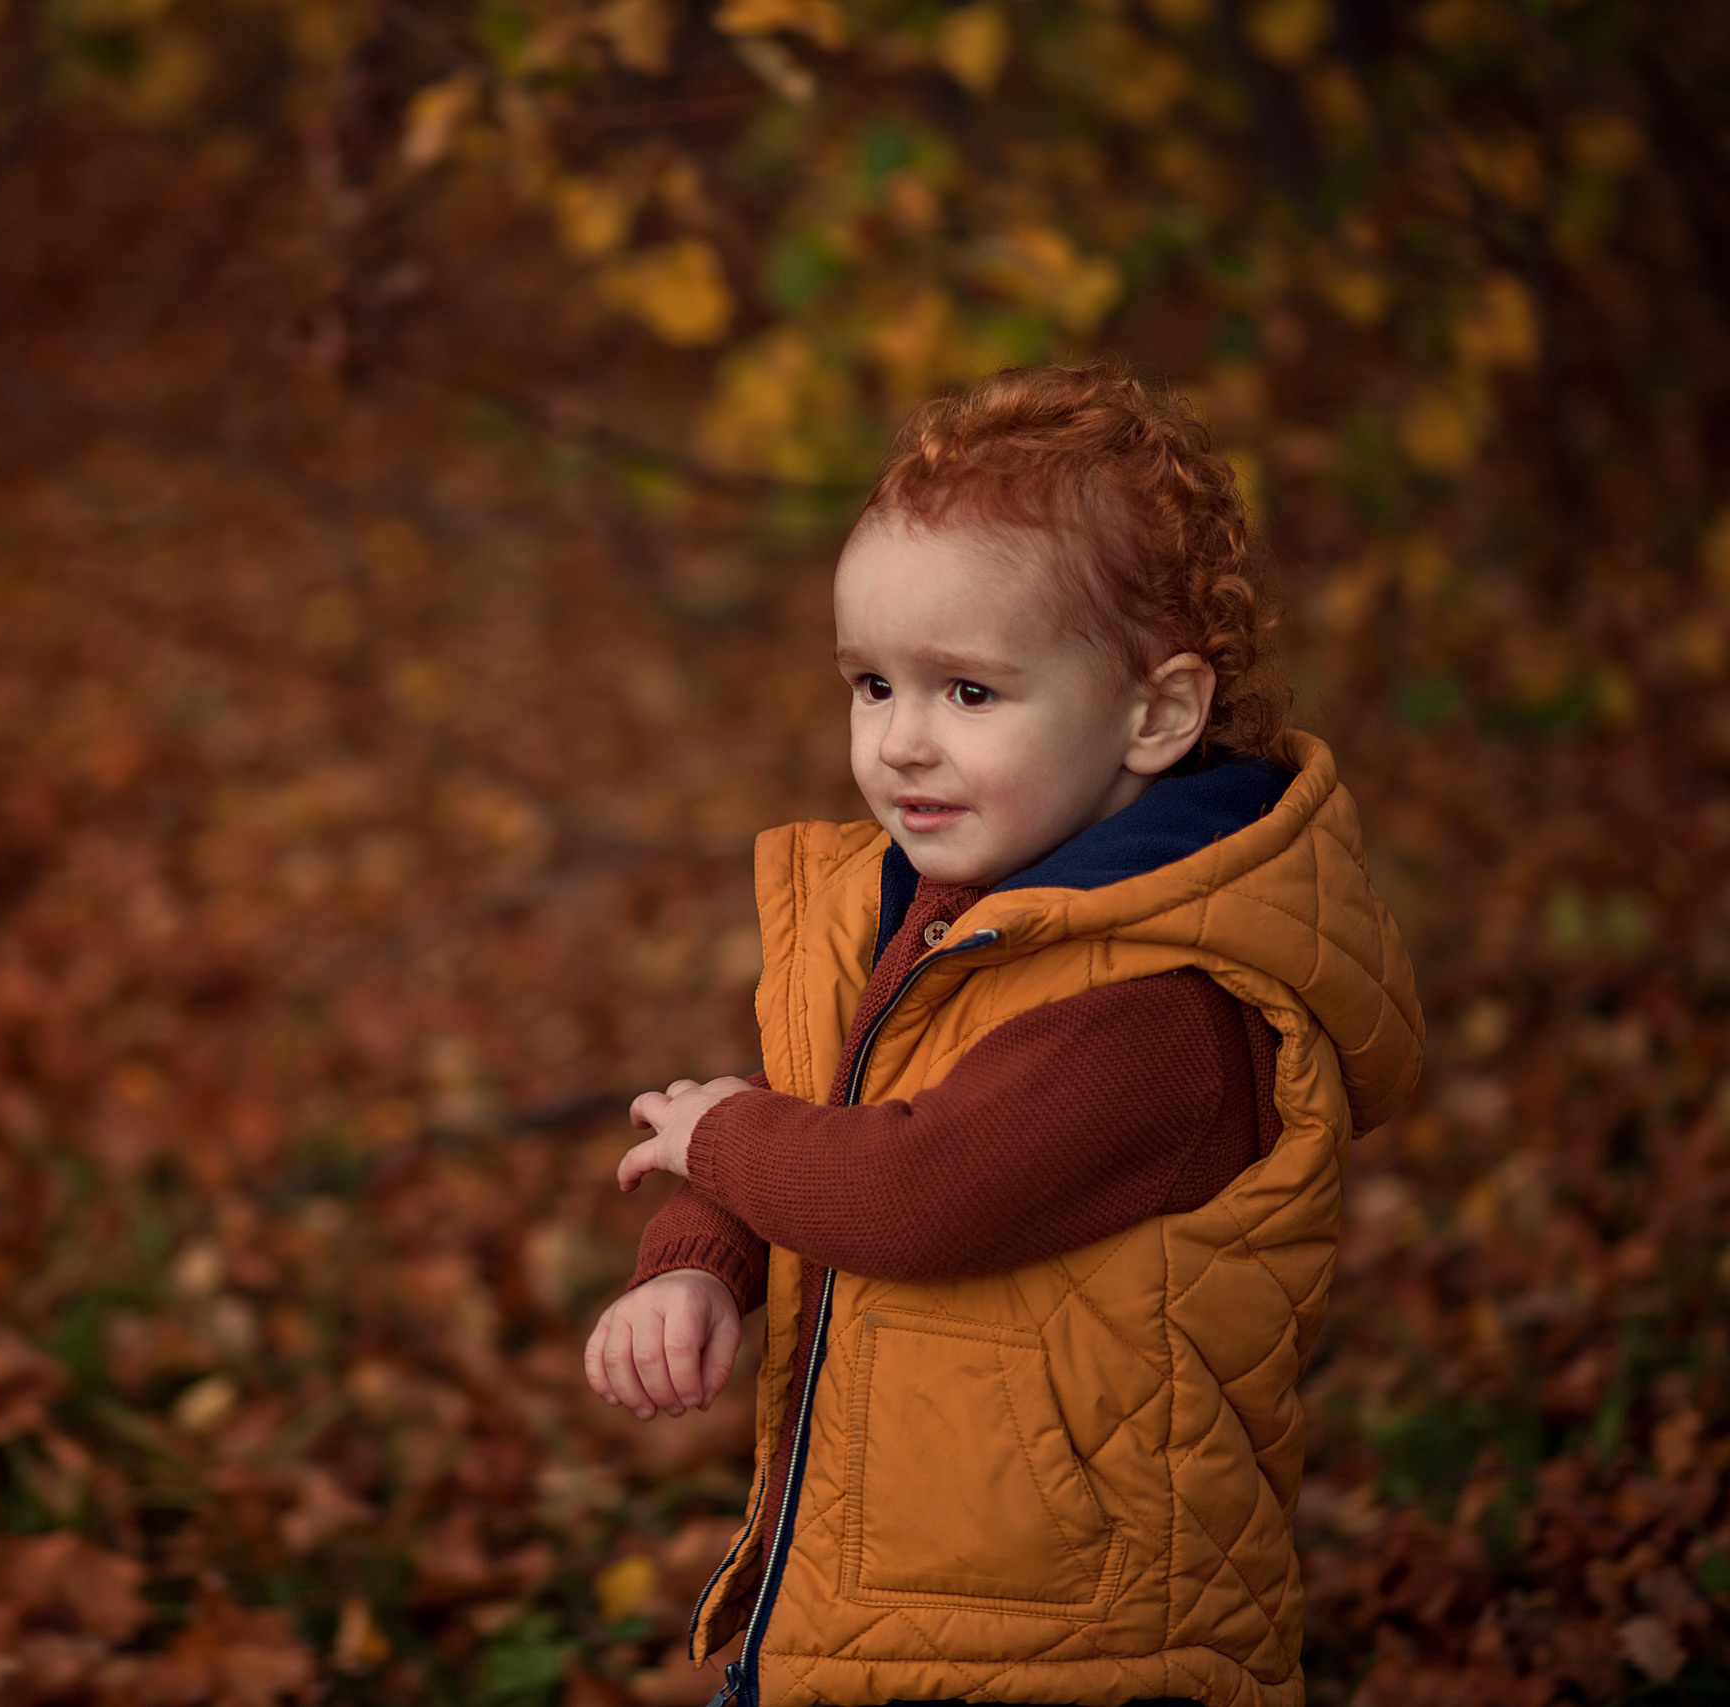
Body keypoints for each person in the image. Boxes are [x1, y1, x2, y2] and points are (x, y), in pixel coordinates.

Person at [581, 363, 1423, 1707]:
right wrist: (699, 1259)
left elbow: (915, 1188)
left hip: (1079, 1647)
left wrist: (725, 1138)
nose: (902, 743)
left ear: (1155, 715)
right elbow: (831, 1120)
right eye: (872, 686)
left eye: (968, 694)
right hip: (885, 1600)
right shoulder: (931, 915)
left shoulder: (1166, 1006)